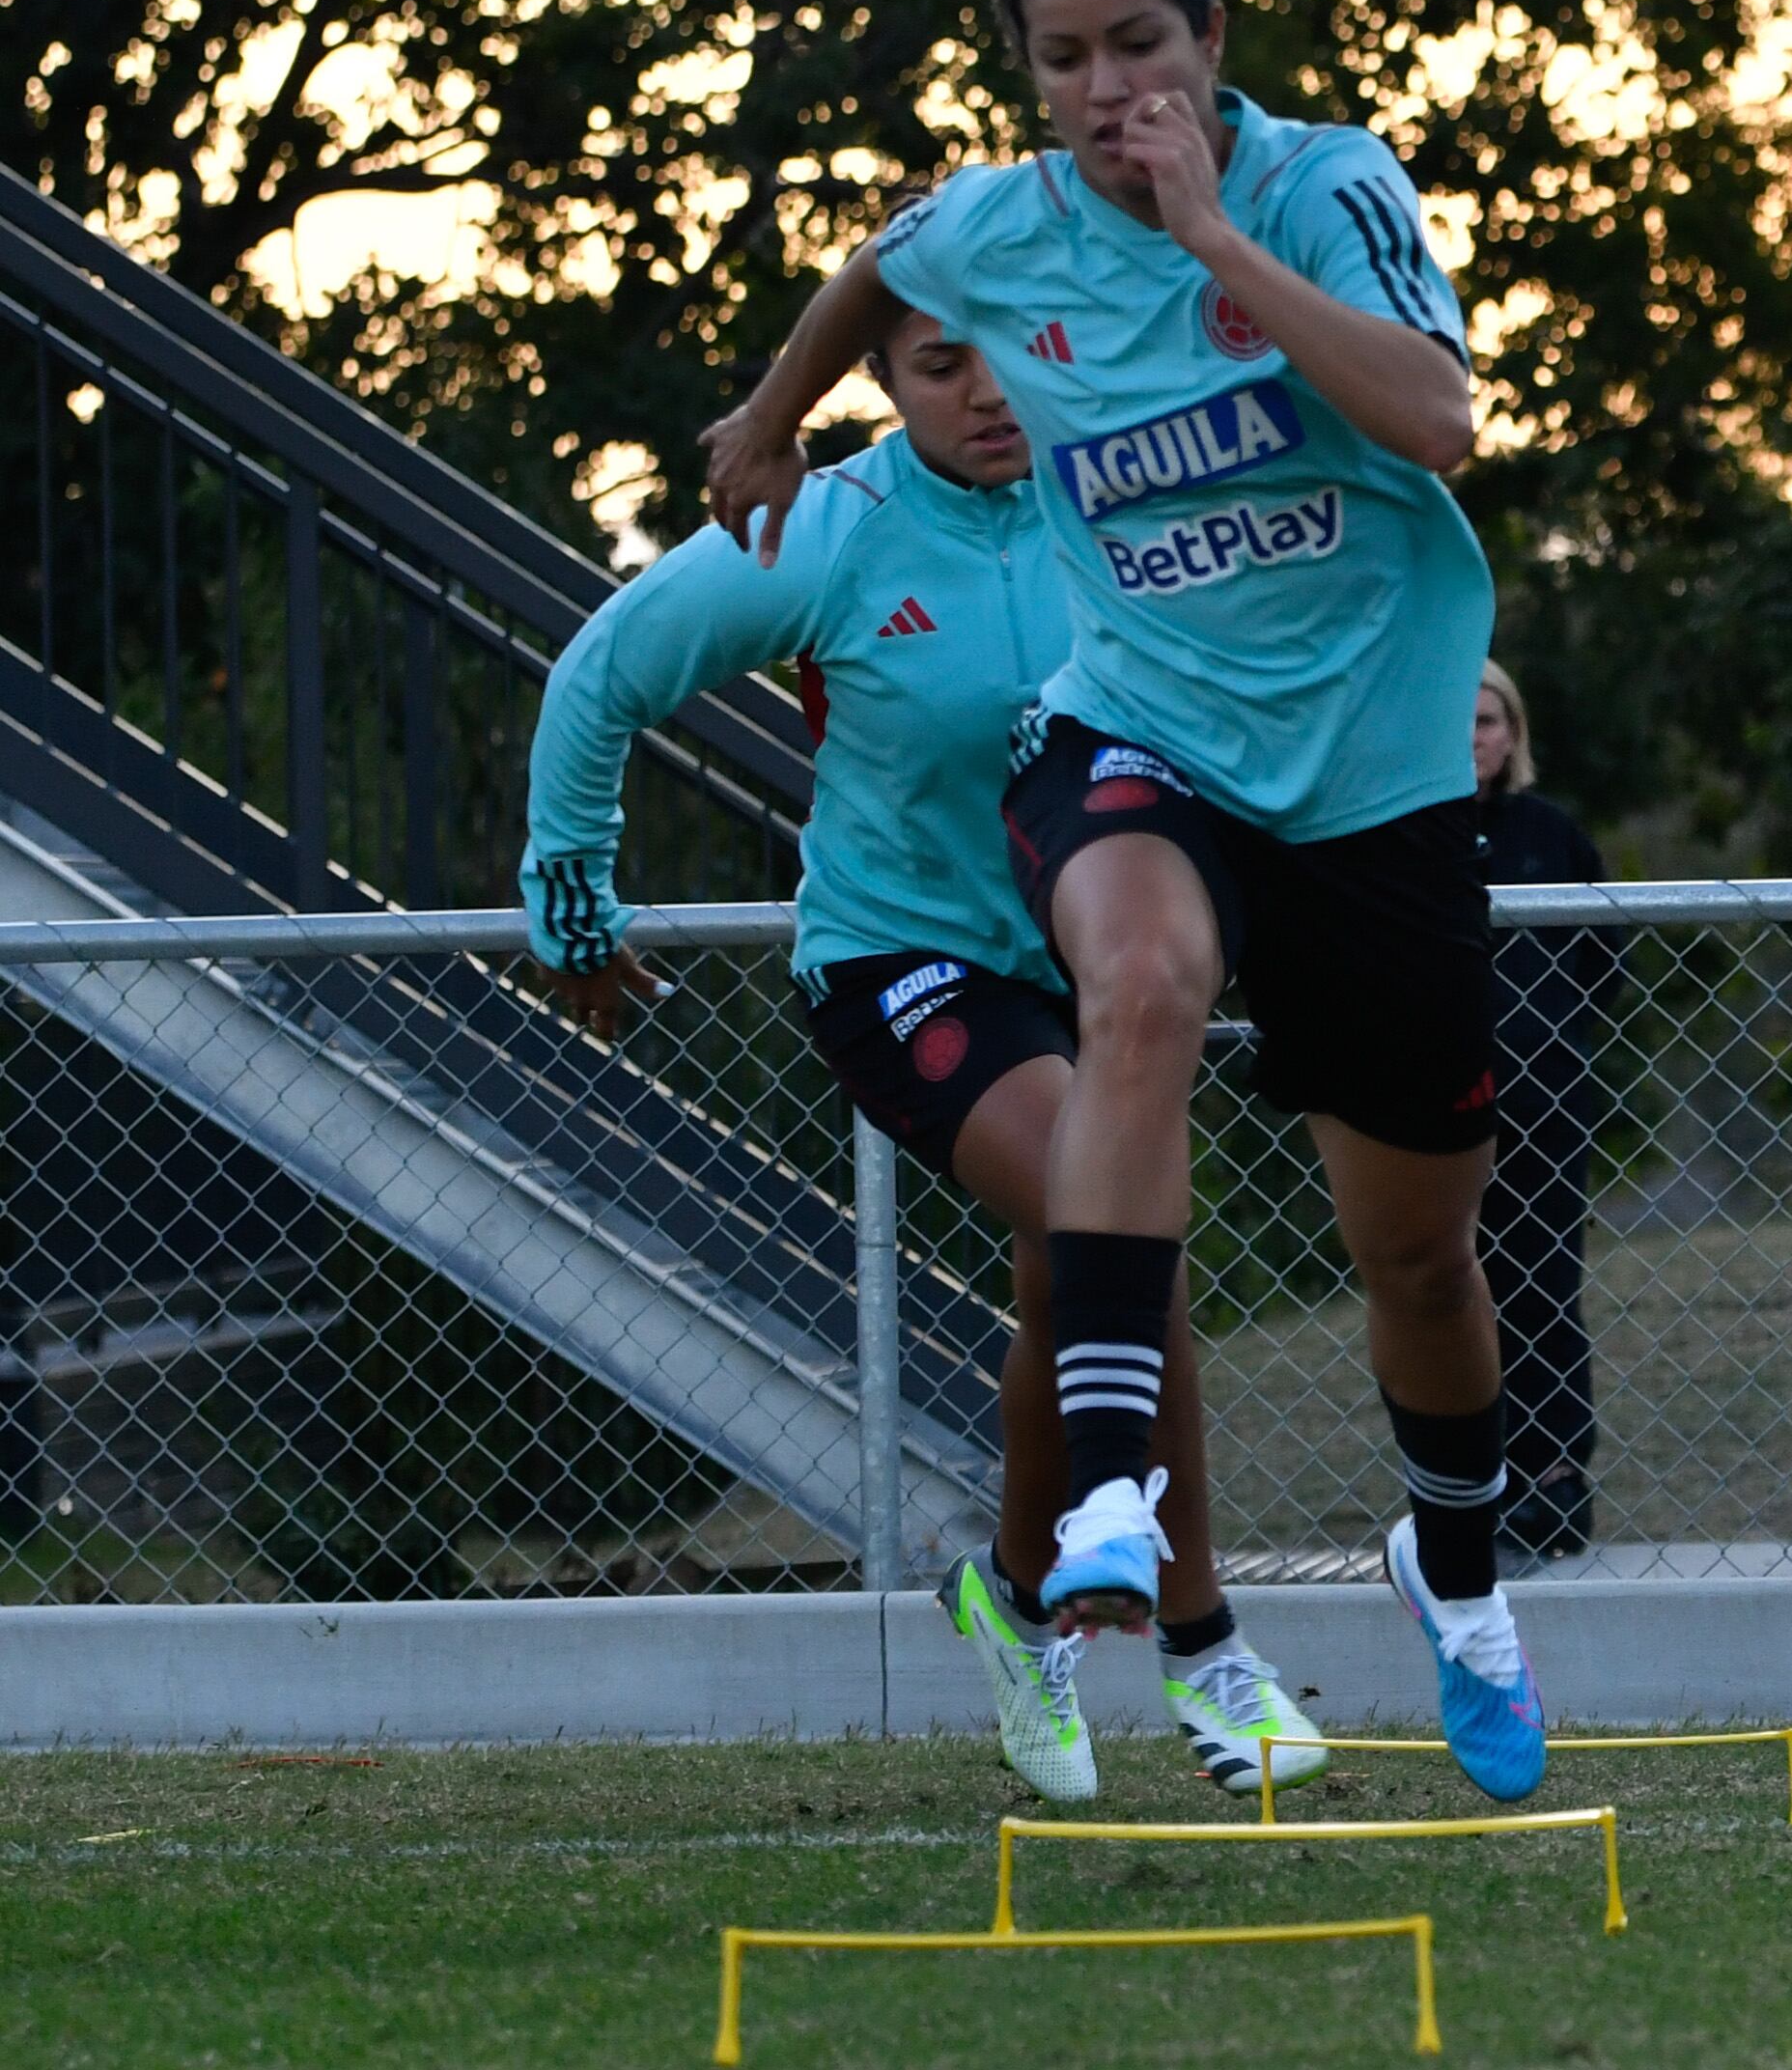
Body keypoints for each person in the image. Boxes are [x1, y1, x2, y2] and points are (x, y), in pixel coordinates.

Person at [696, 0, 1551, 1799]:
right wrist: (768, 419)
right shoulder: (998, 229)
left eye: (1135, 48)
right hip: (1141, 731)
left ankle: (1457, 1571)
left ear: (1210, 40)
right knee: (1139, 979)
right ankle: (1102, 1514)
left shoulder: (1324, 190)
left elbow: (1437, 420)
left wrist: (1213, 241)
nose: (1103, 89)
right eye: (1061, 60)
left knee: (1414, 1256)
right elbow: (870, 267)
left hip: (1374, 780)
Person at [529, 278, 1323, 1800]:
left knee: (1070, 1265)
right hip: (907, 963)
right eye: (938, 364)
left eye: (1016, 355)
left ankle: (1020, 1611)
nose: (985, 391)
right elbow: (602, 671)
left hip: (1106, 973)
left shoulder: (1135, 508)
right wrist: (571, 898)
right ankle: (1208, 1642)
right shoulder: (825, 530)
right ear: (877, 376)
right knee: (1113, 1225)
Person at [1471, 658, 1610, 1567]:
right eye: (1454, 721)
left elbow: (1601, 957)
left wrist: (1548, 1036)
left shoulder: (1549, 835)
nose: (1471, 736)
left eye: (1486, 720)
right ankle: (1477, 1483)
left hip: (1546, 1106)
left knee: (1542, 1284)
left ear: (1512, 732)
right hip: (1441, 1105)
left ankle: (1557, 1480)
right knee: (1458, 1288)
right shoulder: (1413, 836)